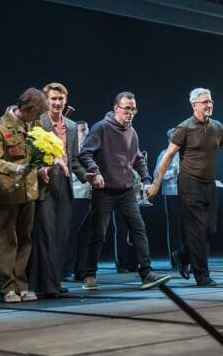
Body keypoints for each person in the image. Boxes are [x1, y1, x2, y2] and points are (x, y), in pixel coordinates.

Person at [147, 88, 223, 287]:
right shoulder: (184, 128)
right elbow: (167, 157)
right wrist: (156, 183)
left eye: (210, 101)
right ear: (194, 105)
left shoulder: (217, 127)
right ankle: (202, 275)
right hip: (189, 184)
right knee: (197, 230)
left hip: (209, 184)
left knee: (209, 229)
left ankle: (182, 254)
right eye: (205, 102)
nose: (209, 105)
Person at [78, 91, 170, 290]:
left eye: (133, 109)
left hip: (126, 190)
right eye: (127, 109)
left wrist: (146, 179)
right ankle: (89, 274)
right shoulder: (101, 128)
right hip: (104, 190)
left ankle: (146, 273)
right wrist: (95, 172)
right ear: (116, 108)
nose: (130, 113)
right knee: (98, 234)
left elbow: (138, 158)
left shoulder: (131, 131)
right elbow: (85, 154)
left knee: (138, 229)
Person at [0, 88, 47, 303]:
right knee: (6, 241)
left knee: (25, 240)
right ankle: (7, 288)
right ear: (27, 109)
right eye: (37, 113)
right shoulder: (0, 128)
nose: (38, 118)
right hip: (9, 192)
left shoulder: (33, 125)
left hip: (29, 191)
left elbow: (39, 150)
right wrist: (15, 168)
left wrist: (44, 164)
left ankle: (21, 286)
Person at [27, 83, 86, 298]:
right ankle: (46, 284)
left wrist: (86, 175)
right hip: (44, 183)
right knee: (46, 236)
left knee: (61, 236)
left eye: (61, 98)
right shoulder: (38, 122)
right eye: (53, 98)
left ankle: (55, 280)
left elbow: (74, 160)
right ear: (46, 100)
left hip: (65, 185)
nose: (57, 102)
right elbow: (31, 154)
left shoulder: (71, 125)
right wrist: (43, 166)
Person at [63, 121, 93, 282]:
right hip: (77, 195)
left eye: (87, 130)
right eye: (82, 130)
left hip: (90, 196)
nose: (86, 133)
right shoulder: (71, 150)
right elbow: (71, 172)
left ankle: (81, 270)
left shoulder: (91, 150)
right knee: (71, 233)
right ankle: (65, 269)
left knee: (86, 235)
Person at [153, 128, 181, 269]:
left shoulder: (185, 153)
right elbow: (157, 175)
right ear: (169, 139)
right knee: (174, 227)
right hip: (171, 194)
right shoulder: (164, 154)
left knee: (186, 227)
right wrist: (173, 172)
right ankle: (175, 260)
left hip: (186, 194)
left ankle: (186, 259)